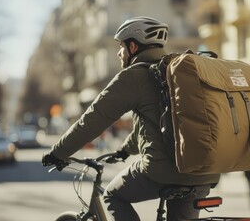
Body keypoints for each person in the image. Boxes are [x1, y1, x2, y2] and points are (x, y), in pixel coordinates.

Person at [42, 16, 220, 220]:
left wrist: (57, 153)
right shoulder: (173, 72)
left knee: (112, 195)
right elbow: (158, 125)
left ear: (133, 46)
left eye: (121, 46)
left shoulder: (134, 76)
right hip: (204, 172)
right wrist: (125, 150)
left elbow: (93, 120)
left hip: (164, 173)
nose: (119, 52)